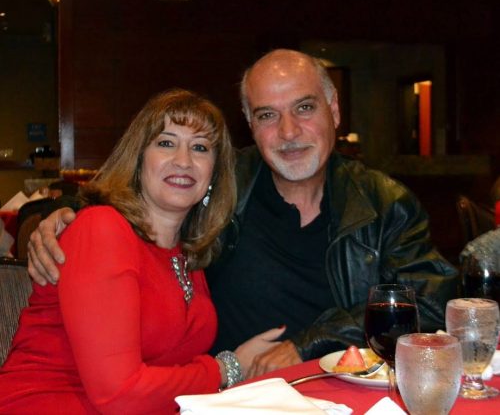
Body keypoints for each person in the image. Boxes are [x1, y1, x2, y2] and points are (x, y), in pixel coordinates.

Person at [28, 49, 458, 379]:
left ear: (335, 112)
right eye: (268, 115)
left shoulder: (385, 203)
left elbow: (431, 304)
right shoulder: (220, 185)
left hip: (342, 393)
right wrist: (66, 212)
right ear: (250, 126)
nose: (288, 133)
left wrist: (307, 344)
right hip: (232, 397)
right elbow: (141, 198)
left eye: (304, 109)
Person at [0, 89, 282, 414]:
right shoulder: (102, 229)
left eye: (200, 148)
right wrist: (227, 369)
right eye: (166, 142)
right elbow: (118, 395)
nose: (183, 160)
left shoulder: (188, 255)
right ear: (138, 158)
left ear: (214, 174)